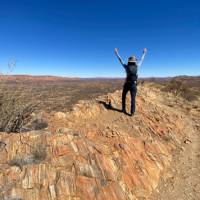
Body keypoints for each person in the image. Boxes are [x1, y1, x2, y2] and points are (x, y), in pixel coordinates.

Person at [114, 47, 147, 116]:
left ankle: (123, 109)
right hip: (133, 85)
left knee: (123, 96)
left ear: (129, 61)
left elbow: (121, 60)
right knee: (133, 99)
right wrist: (144, 53)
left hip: (127, 84)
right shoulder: (137, 66)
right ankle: (132, 113)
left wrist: (117, 53)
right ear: (134, 61)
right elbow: (141, 59)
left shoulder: (126, 67)